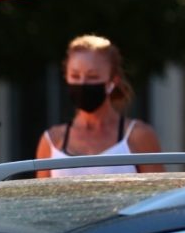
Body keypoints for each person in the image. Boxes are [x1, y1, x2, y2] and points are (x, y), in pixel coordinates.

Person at [35, 34, 163, 177]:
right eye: (75, 76)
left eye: (93, 77)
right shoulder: (52, 140)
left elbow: (161, 195)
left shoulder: (138, 136)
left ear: (112, 81)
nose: (82, 84)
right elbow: (41, 198)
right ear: (66, 78)